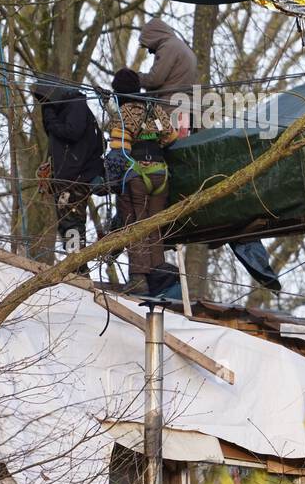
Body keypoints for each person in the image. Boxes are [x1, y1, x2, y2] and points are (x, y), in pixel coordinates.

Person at [108, 67, 179, 296]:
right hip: (160, 175)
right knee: (154, 227)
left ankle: (139, 279)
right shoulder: (154, 108)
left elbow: (119, 150)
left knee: (136, 226)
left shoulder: (122, 114)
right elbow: (171, 137)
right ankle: (159, 277)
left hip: (136, 176)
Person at [31, 78, 105, 252]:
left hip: (75, 177)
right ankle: (76, 265)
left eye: (46, 101)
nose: (45, 106)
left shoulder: (75, 105)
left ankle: (77, 267)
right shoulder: (67, 109)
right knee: (67, 223)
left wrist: (50, 120)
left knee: (71, 222)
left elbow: (72, 131)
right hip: (69, 176)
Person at [138, 17, 198, 106]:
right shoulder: (182, 47)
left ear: (154, 38)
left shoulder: (167, 47)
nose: (150, 52)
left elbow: (154, 80)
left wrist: (135, 77)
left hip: (170, 108)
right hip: (187, 107)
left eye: (149, 46)